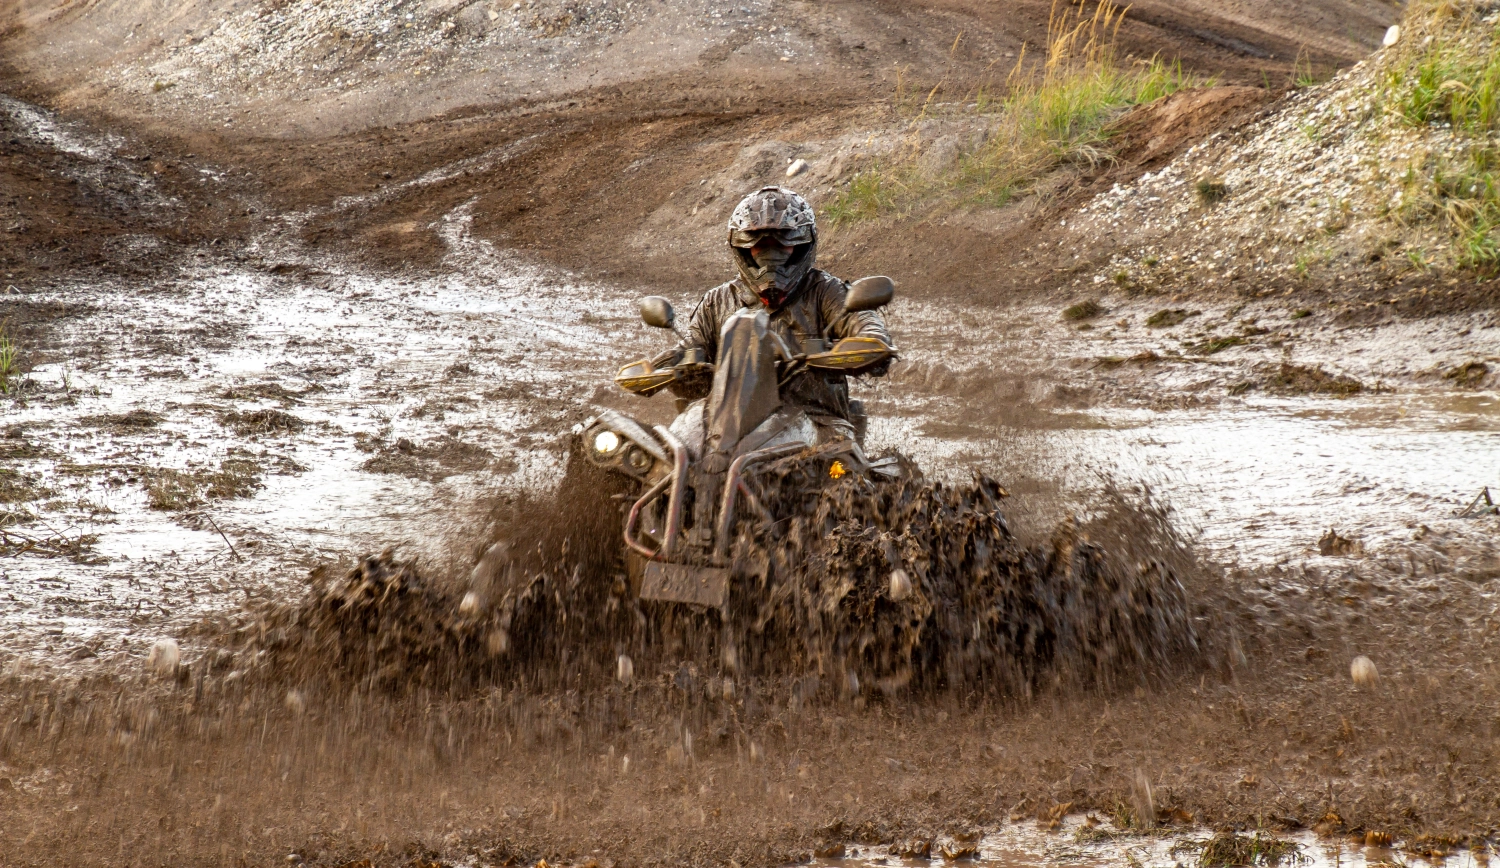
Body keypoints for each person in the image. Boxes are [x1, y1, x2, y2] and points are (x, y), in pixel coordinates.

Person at [659, 186, 893, 443]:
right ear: (743, 248)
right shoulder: (718, 301)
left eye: (782, 243)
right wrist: (666, 367)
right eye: (760, 245)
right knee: (663, 453)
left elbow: (867, 327)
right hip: (726, 422)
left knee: (846, 473)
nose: (771, 253)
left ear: (802, 244)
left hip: (815, 419)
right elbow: (689, 348)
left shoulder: (827, 291)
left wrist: (865, 346)